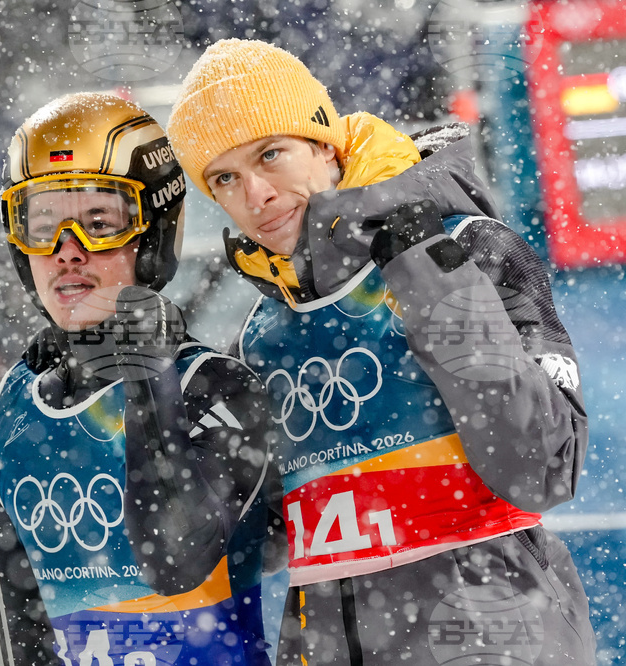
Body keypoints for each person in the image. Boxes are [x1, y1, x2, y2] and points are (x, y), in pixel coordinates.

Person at [166, 39, 596, 664]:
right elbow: (245, 548)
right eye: (224, 178)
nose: (254, 194)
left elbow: (545, 464)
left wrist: (427, 274)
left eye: (271, 155)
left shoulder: (470, 247)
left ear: (324, 143)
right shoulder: (262, 332)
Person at [0, 91, 278, 665]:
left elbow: (175, 557)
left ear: (152, 235)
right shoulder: (18, 404)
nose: (68, 252)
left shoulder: (219, 387)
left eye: (99, 223)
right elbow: (25, 627)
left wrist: (148, 379)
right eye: (42, 225)